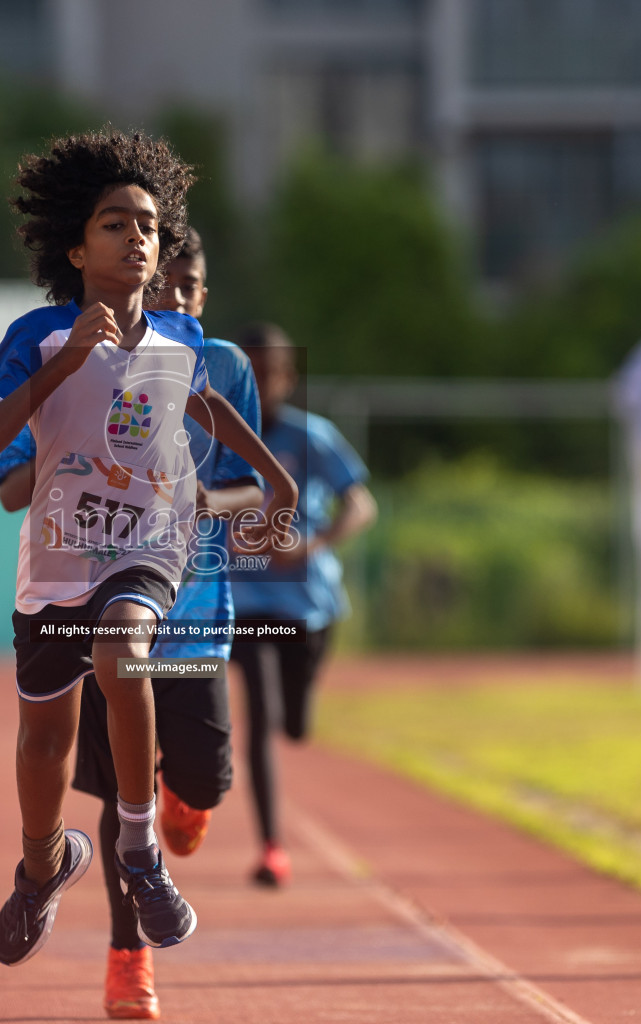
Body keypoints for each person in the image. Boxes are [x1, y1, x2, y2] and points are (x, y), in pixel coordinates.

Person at [0, 129, 298, 970]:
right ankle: (45, 866)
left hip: (146, 546)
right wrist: (62, 367)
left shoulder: (181, 343)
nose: (137, 237)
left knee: (125, 651)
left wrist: (274, 479)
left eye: (148, 224)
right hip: (55, 563)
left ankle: (140, 855)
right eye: (115, 224)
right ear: (75, 248)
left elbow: (210, 410)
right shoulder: (37, 333)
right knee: (45, 747)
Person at [0, 227, 262, 1019]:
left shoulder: (220, 368)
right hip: (98, 602)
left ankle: (185, 805)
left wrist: (193, 495)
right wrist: (86, 427)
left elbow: (251, 488)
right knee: (120, 792)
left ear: (202, 295)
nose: (172, 296)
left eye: (188, 285)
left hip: (195, 618)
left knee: (198, 790)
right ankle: (127, 960)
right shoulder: (76, 353)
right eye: (162, 281)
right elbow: (11, 485)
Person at [229, 322, 376, 887]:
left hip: (308, 606)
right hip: (245, 601)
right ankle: (272, 847)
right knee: (258, 718)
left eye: (269, 372)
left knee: (294, 724)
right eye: (248, 371)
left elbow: (361, 505)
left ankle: (296, 714)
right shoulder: (214, 438)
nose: (259, 382)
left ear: (288, 378)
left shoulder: (312, 437)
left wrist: (311, 546)